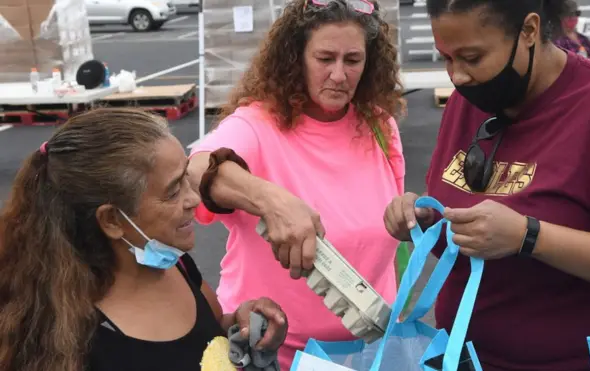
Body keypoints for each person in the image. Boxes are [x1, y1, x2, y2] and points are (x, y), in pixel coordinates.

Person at [384, 0, 590, 370]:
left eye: (472, 57)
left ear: (529, 31)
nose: (458, 76)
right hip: (465, 357)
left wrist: (528, 237)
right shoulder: (468, 103)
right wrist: (428, 223)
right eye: (446, 58)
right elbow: (468, 229)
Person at [187, 0, 405, 369]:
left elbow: (387, 220)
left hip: (371, 351)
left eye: (352, 60)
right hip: (276, 356)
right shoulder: (256, 124)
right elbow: (196, 169)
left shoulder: (379, 125)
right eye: (325, 58)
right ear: (295, 57)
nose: (339, 74)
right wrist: (272, 200)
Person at [0, 108, 288, 371]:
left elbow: (209, 336)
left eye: (187, 178)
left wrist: (242, 325)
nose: (193, 198)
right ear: (112, 220)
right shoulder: (70, 340)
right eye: (173, 190)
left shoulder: (179, 267)